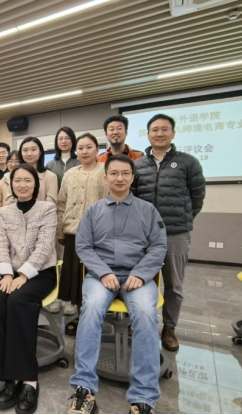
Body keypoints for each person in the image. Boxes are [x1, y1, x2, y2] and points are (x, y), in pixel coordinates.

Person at [66, 154, 167, 415]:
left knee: (145, 313)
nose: (119, 178)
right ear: (105, 177)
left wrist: (141, 274)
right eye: (114, 173)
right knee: (90, 310)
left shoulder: (148, 210)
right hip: (102, 277)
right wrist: (102, 272)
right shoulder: (93, 211)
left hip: (137, 277)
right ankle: (84, 389)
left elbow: (158, 247)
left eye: (125, 173)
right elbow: (83, 246)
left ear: (132, 177)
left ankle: (143, 397)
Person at [132, 113, 206, 352]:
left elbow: (197, 197)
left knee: (173, 285)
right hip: (143, 236)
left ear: (173, 133)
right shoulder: (138, 165)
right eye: (155, 130)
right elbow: (132, 198)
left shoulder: (188, 162)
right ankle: (142, 322)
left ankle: (169, 328)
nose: (159, 134)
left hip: (175, 234)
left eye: (165, 129)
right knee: (141, 280)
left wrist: (181, 221)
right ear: (148, 134)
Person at [0, 164, 57, 414]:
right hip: (11, 271)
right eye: (17, 180)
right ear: (11, 184)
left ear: (35, 184)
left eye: (28, 180)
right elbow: (1, 244)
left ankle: (28, 379)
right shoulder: (5, 211)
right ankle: (9, 377)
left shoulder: (47, 208)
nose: (22, 185)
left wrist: (24, 275)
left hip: (40, 272)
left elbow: (44, 247)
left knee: (18, 301)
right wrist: (8, 273)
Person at [51, 134, 108, 321]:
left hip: (98, 236)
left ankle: (94, 317)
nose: (84, 151)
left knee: (93, 279)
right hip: (73, 234)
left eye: (89, 147)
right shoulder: (70, 174)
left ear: (97, 149)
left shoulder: (105, 171)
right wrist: (60, 231)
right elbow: (61, 203)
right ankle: (80, 316)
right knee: (75, 279)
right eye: (81, 148)